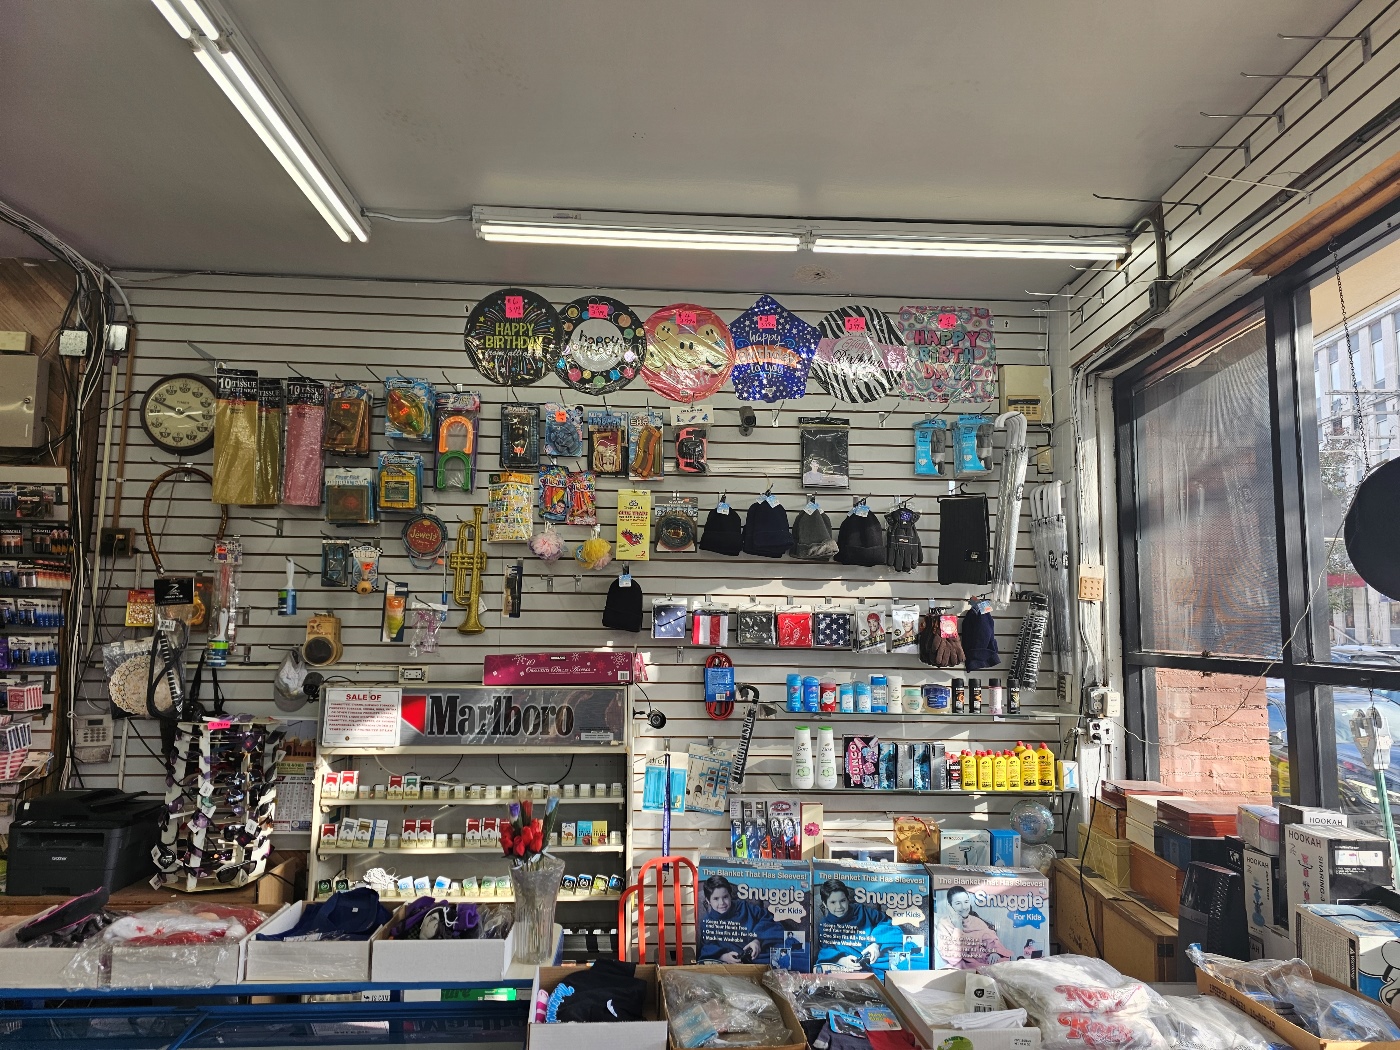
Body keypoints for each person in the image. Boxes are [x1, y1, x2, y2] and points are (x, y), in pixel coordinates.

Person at [814, 878, 904, 975]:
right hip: (857, 965)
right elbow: (826, 950)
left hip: (880, 955)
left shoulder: (862, 910)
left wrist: (876, 944)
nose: (839, 906)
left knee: (909, 962)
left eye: (842, 901)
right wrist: (841, 960)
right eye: (833, 902)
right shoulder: (825, 925)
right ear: (825, 904)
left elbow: (886, 922)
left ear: (848, 899)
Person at [696, 875, 785, 964]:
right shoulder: (708, 922)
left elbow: (769, 920)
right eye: (716, 899)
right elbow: (707, 947)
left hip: (761, 953)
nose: (722, 903)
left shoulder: (745, 907)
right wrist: (723, 956)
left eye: (725, 897)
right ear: (708, 900)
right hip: (737, 962)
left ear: (730, 895)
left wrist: (757, 941)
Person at [936, 886, 1011, 970]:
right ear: (950, 905)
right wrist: (958, 928)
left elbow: (991, 940)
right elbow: (953, 958)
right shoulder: (944, 924)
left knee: (1007, 965)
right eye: (958, 903)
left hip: (986, 960)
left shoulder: (976, 921)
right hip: (966, 965)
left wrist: (994, 953)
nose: (964, 907)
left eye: (966, 902)